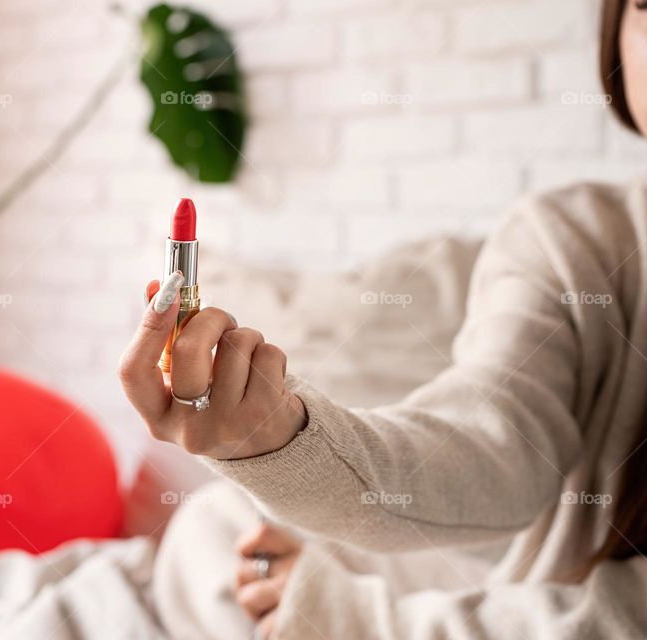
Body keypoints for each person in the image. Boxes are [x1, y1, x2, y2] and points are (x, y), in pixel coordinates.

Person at [119, 1, 647, 637]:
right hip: (522, 587)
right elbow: (489, 450)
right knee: (217, 530)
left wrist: (350, 618)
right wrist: (281, 438)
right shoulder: (573, 238)